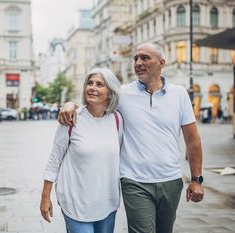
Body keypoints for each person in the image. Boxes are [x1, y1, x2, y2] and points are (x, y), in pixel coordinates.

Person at [58, 42, 204, 233]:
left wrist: (196, 179)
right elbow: (94, 102)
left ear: (161, 63)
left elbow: (192, 140)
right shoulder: (123, 94)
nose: (138, 62)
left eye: (145, 58)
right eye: (136, 58)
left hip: (171, 181)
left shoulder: (179, 94)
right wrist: (70, 105)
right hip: (135, 182)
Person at [40, 67, 123, 233]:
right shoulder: (72, 118)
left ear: (110, 92)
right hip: (75, 202)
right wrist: (45, 197)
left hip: (107, 203)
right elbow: (54, 159)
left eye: (100, 84)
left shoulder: (116, 119)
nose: (92, 87)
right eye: (90, 83)